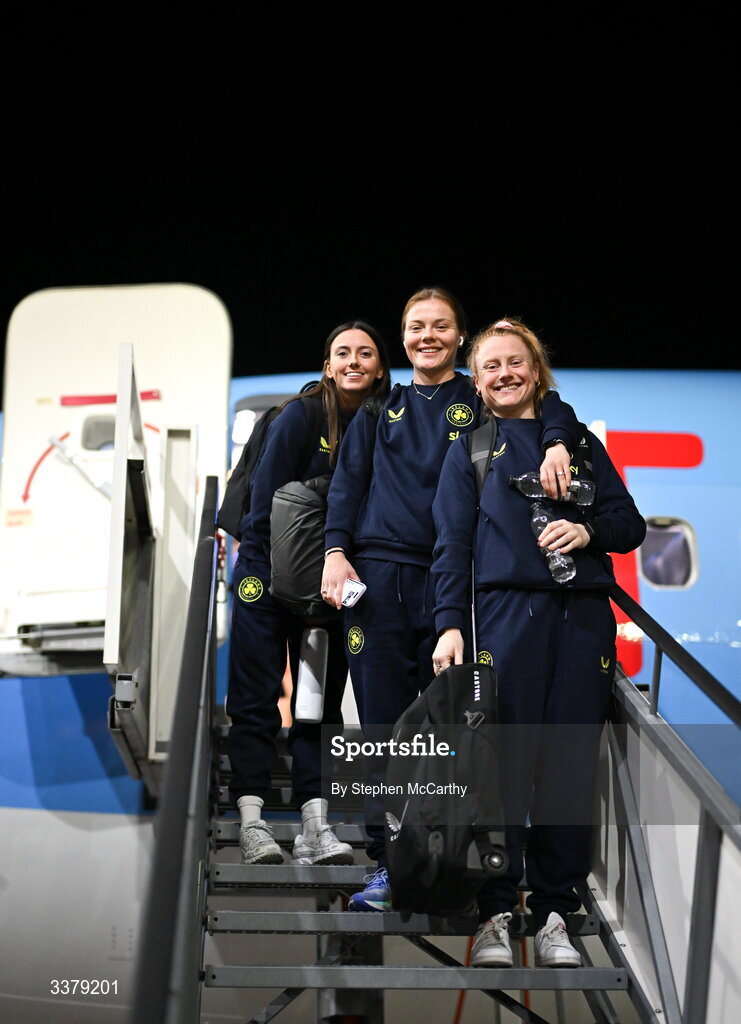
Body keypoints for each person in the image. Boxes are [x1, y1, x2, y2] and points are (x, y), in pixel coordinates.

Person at [321, 288, 581, 911]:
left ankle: (454, 863)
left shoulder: (482, 394)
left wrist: (556, 443)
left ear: (459, 338)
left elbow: (553, 407)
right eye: (416, 327)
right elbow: (346, 486)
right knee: (383, 734)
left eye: (440, 327)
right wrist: (334, 553)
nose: (427, 336)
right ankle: (386, 867)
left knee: (452, 740)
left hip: (453, 589)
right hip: (378, 583)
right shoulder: (381, 405)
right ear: (403, 337)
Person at [431, 317, 646, 967]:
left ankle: (553, 911)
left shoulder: (576, 442)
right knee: (501, 769)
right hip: (503, 617)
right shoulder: (468, 447)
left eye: (513, 362)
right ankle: (497, 912)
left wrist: (586, 535)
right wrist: (449, 624)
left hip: (581, 621)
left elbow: (626, 523)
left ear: (536, 370)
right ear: (476, 377)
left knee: (566, 773)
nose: (502, 374)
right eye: (489, 365)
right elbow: (451, 546)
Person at [227, 321, 391, 865]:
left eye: (364, 353)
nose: (353, 361)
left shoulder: (378, 422)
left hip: (326, 592)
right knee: (255, 701)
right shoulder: (302, 415)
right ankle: (252, 821)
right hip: (267, 580)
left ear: (379, 367)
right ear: (327, 365)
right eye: (342, 352)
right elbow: (259, 509)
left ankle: (313, 826)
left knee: (316, 706)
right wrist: (272, 584)